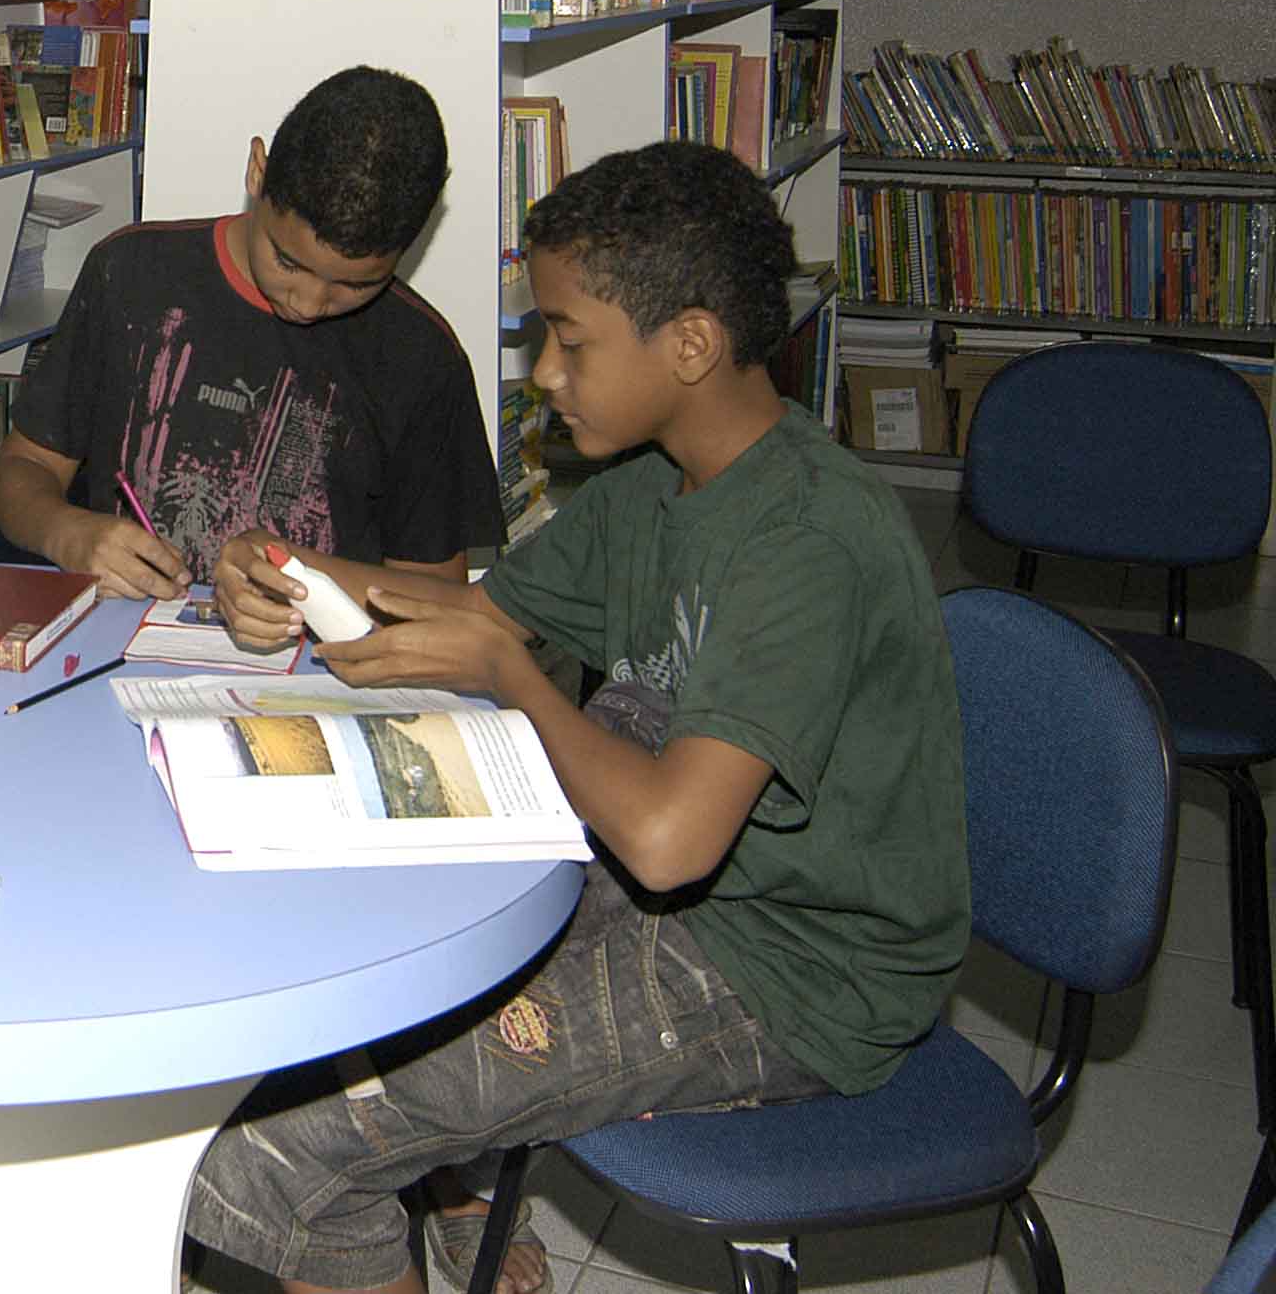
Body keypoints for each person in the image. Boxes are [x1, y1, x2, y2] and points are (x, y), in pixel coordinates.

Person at [190, 142, 969, 1294]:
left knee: (269, 1156)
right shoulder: (658, 482)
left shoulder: (804, 543)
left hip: (793, 974)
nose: (545, 371)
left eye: (568, 336)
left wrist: (514, 673)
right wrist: (279, 559)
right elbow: (471, 612)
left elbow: (666, 838)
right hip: (698, 890)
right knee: (346, 958)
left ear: (689, 345)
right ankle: (454, 1190)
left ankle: (409, 1195)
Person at [0, 66, 503, 599]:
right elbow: (24, 466)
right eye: (287, 261)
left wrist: (305, 584)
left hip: (316, 675)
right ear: (257, 173)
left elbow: (437, 597)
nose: (307, 304)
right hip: (116, 652)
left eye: (356, 285)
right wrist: (65, 532)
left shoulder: (419, 356)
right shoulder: (130, 275)